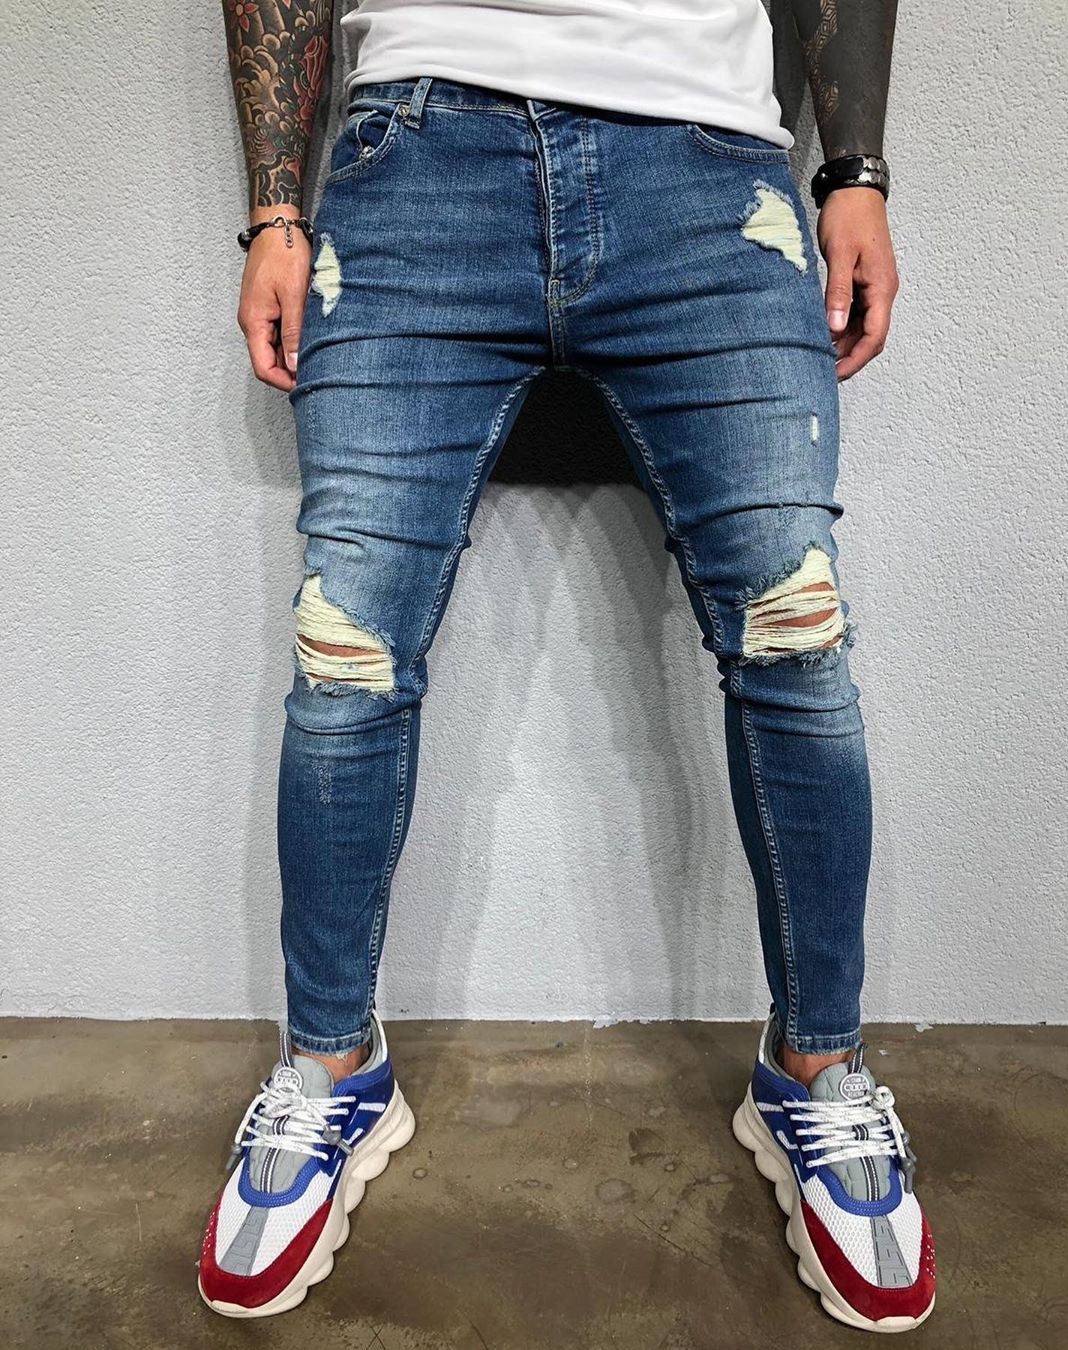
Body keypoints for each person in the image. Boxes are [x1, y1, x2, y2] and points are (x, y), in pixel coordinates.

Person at [199, 0, 934, 1331]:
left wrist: (856, 172)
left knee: (796, 637)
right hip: (414, 154)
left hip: (707, 164)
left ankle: (816, 1072)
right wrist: (274, 213)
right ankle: (332, 1072)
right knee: (345, 650)